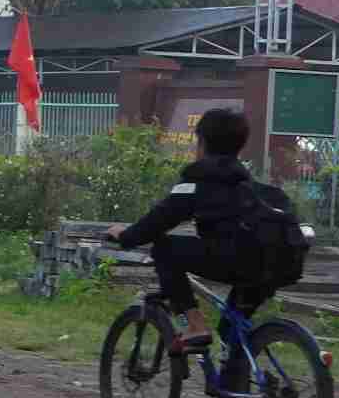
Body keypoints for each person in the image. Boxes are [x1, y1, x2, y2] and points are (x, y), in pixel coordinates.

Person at [104, 106, 296, 352]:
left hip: (234, 259)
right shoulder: (253, 188)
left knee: (165, 248)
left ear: (202, 143)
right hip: (274, 265)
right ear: (240, 146)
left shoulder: (198, 182)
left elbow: (156, 223)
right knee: (231, 331)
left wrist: (124, 235)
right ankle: (243, 384)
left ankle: (194, 325)